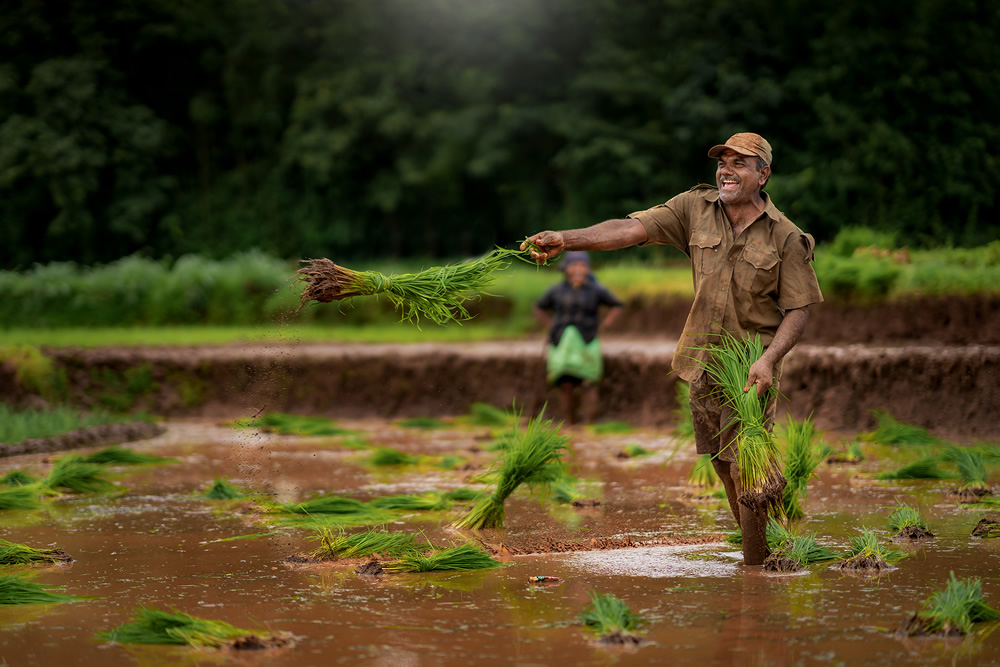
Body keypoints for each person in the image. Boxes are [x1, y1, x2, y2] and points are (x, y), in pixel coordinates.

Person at [521, 132, 823, 565]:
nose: (727, 169)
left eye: (741, 163)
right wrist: (567, 239)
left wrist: (769, 360)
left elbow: (798, 311)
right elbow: (627, 229)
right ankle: (764, 541)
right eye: (724, 161)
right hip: (702, 361)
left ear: (763, 174)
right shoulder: (693, 209)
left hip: (750, 367)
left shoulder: (786, 237)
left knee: (744, 464)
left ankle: (759, 567)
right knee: (722, 466)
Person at [533, 251, 623, 425]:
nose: (578, 270)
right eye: (574, 266)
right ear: (566, 269)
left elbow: (617, 305)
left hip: (587, 338)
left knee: (589, 382)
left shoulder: (596, 290)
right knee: (565, 383)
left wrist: (606, 324)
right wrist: (549, 324)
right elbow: (539, 306)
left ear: (588, 269)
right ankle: (570, 423)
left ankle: (589, 423)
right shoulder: (557, 290)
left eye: (582, 266)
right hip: (560, 339)